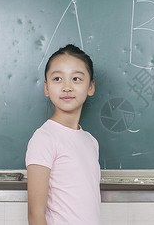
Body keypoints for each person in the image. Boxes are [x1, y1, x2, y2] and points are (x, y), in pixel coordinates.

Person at [26, 44, 100, 225]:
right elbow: (35, 215)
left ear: (90, 87)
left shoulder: (91, 141)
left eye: (76, 79)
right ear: (46, 88)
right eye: (58, 79)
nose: (67, 87)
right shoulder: (44, 138)